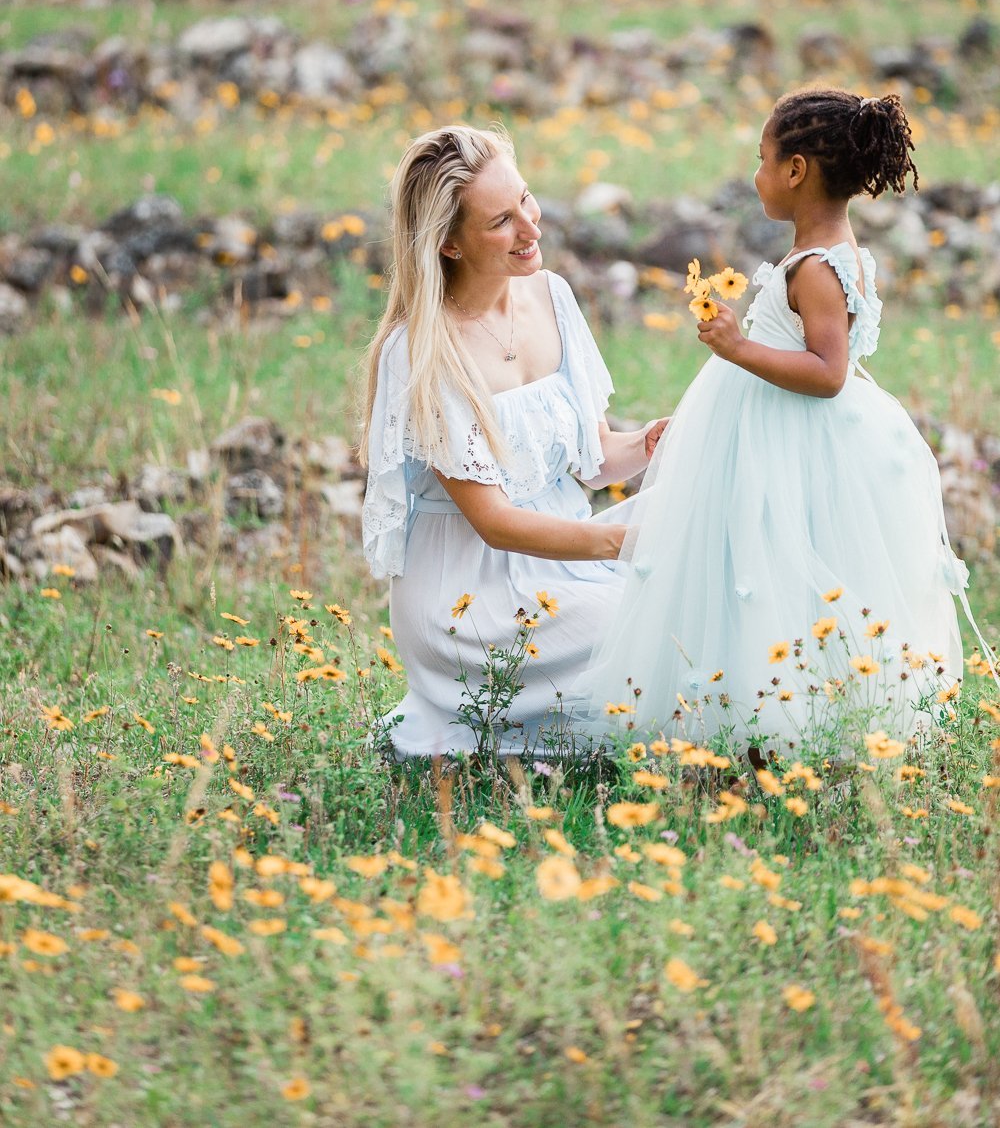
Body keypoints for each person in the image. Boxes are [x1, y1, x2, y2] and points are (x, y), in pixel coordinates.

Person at [575, 89, 994, 755]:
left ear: (796, 171)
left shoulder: (819, 266)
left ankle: (779, 724)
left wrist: (740, 347)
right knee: (760, 568)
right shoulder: (824, 254)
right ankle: (760, 718)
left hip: (790, 441)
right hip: (776, 434)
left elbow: (827, 373)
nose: (755, 173)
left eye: (763, 159)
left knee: (776, 563)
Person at [358, 123, 666, 758]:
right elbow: (495, 521)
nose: (532, 228)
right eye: (501, 221)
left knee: (703, 559)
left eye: (525, 199)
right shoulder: (423, 349)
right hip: (474, 593)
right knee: (646, 627)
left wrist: (654, 443)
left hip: (568, 549)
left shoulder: (550, 296)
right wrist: (617, 542)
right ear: (448, 243)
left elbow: (593, 458)